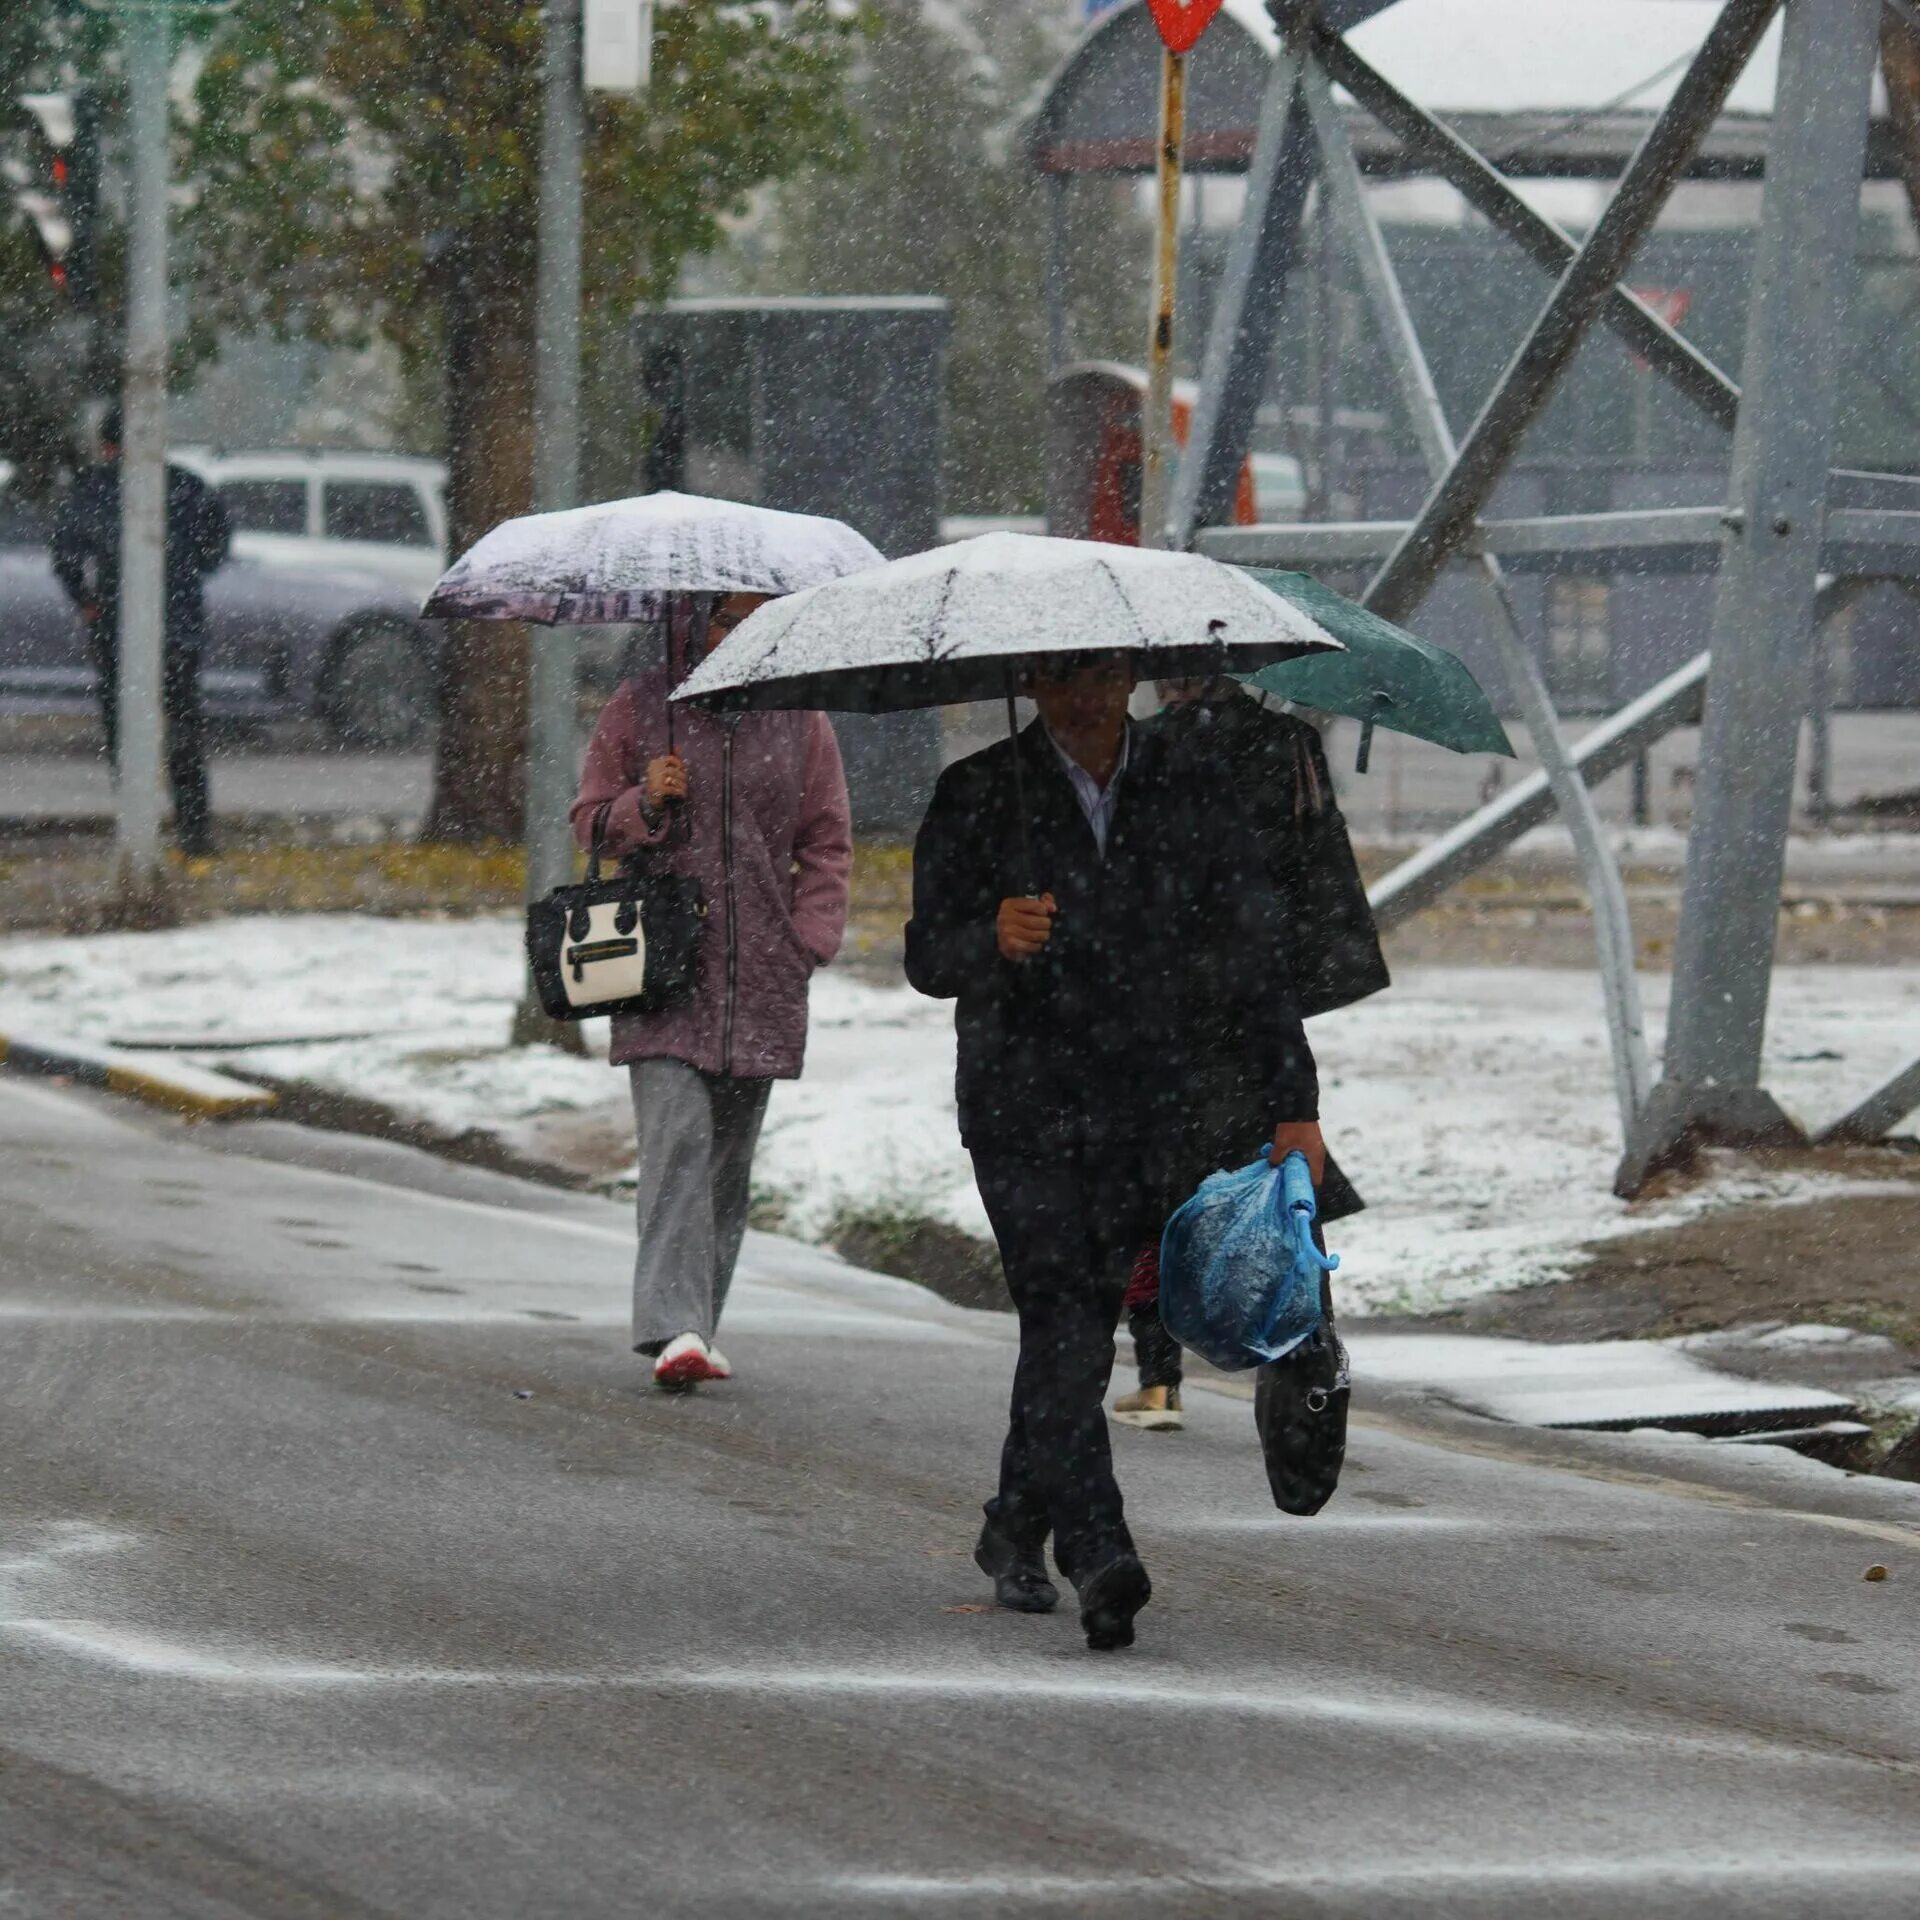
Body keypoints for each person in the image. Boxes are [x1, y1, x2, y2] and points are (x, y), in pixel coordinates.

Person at [904, 653, 1323, 1651]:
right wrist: (988, 936)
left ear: (1132, 674)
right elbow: (925, 955)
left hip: (1146, 1106)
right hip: (1019, 1108)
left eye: (1100, 673)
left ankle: (1013, 1520)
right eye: (1059, 676)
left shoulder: (1191, 791)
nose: (1084, 694)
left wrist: (1293, 1101)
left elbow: (1257, 952)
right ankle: (1098, 1549)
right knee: (1061, 1315)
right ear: (1032, 682)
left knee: (1081, 1327)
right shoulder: (978, 793)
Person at [571, 594, 852, 1393]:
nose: (742, 634)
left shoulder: (801, 721)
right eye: (728, 618)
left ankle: (697, 1329)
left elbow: (826, 839)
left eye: (758, 618)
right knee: (678, 1144)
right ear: (695, 623)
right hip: (662, 973)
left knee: (728, 1165)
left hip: (763, 973)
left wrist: (810, 935)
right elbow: (588, 823)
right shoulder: (640, 709)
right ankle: (673, 1325)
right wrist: (643, 803)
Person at [1113, 676, 1388, 1432]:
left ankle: (1159, 1379)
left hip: (1158, 1006)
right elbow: (1318, 867)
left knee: (1154, 1197)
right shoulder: (1287, 745)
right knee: (1280, 1191)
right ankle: (1305, 1365)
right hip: (1254, 1004)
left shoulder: (1143, 749)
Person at [50, 407, 230, 858]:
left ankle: (136, 823)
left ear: (108, 445)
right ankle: (195, 834)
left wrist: (89, 602)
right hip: (180, 627)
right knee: (184, 727)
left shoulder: (93, 489)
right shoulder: (188, 486)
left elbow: (65, 555)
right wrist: (185, 577)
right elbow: (218, 544)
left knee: (124, 727)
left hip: (117, 628)